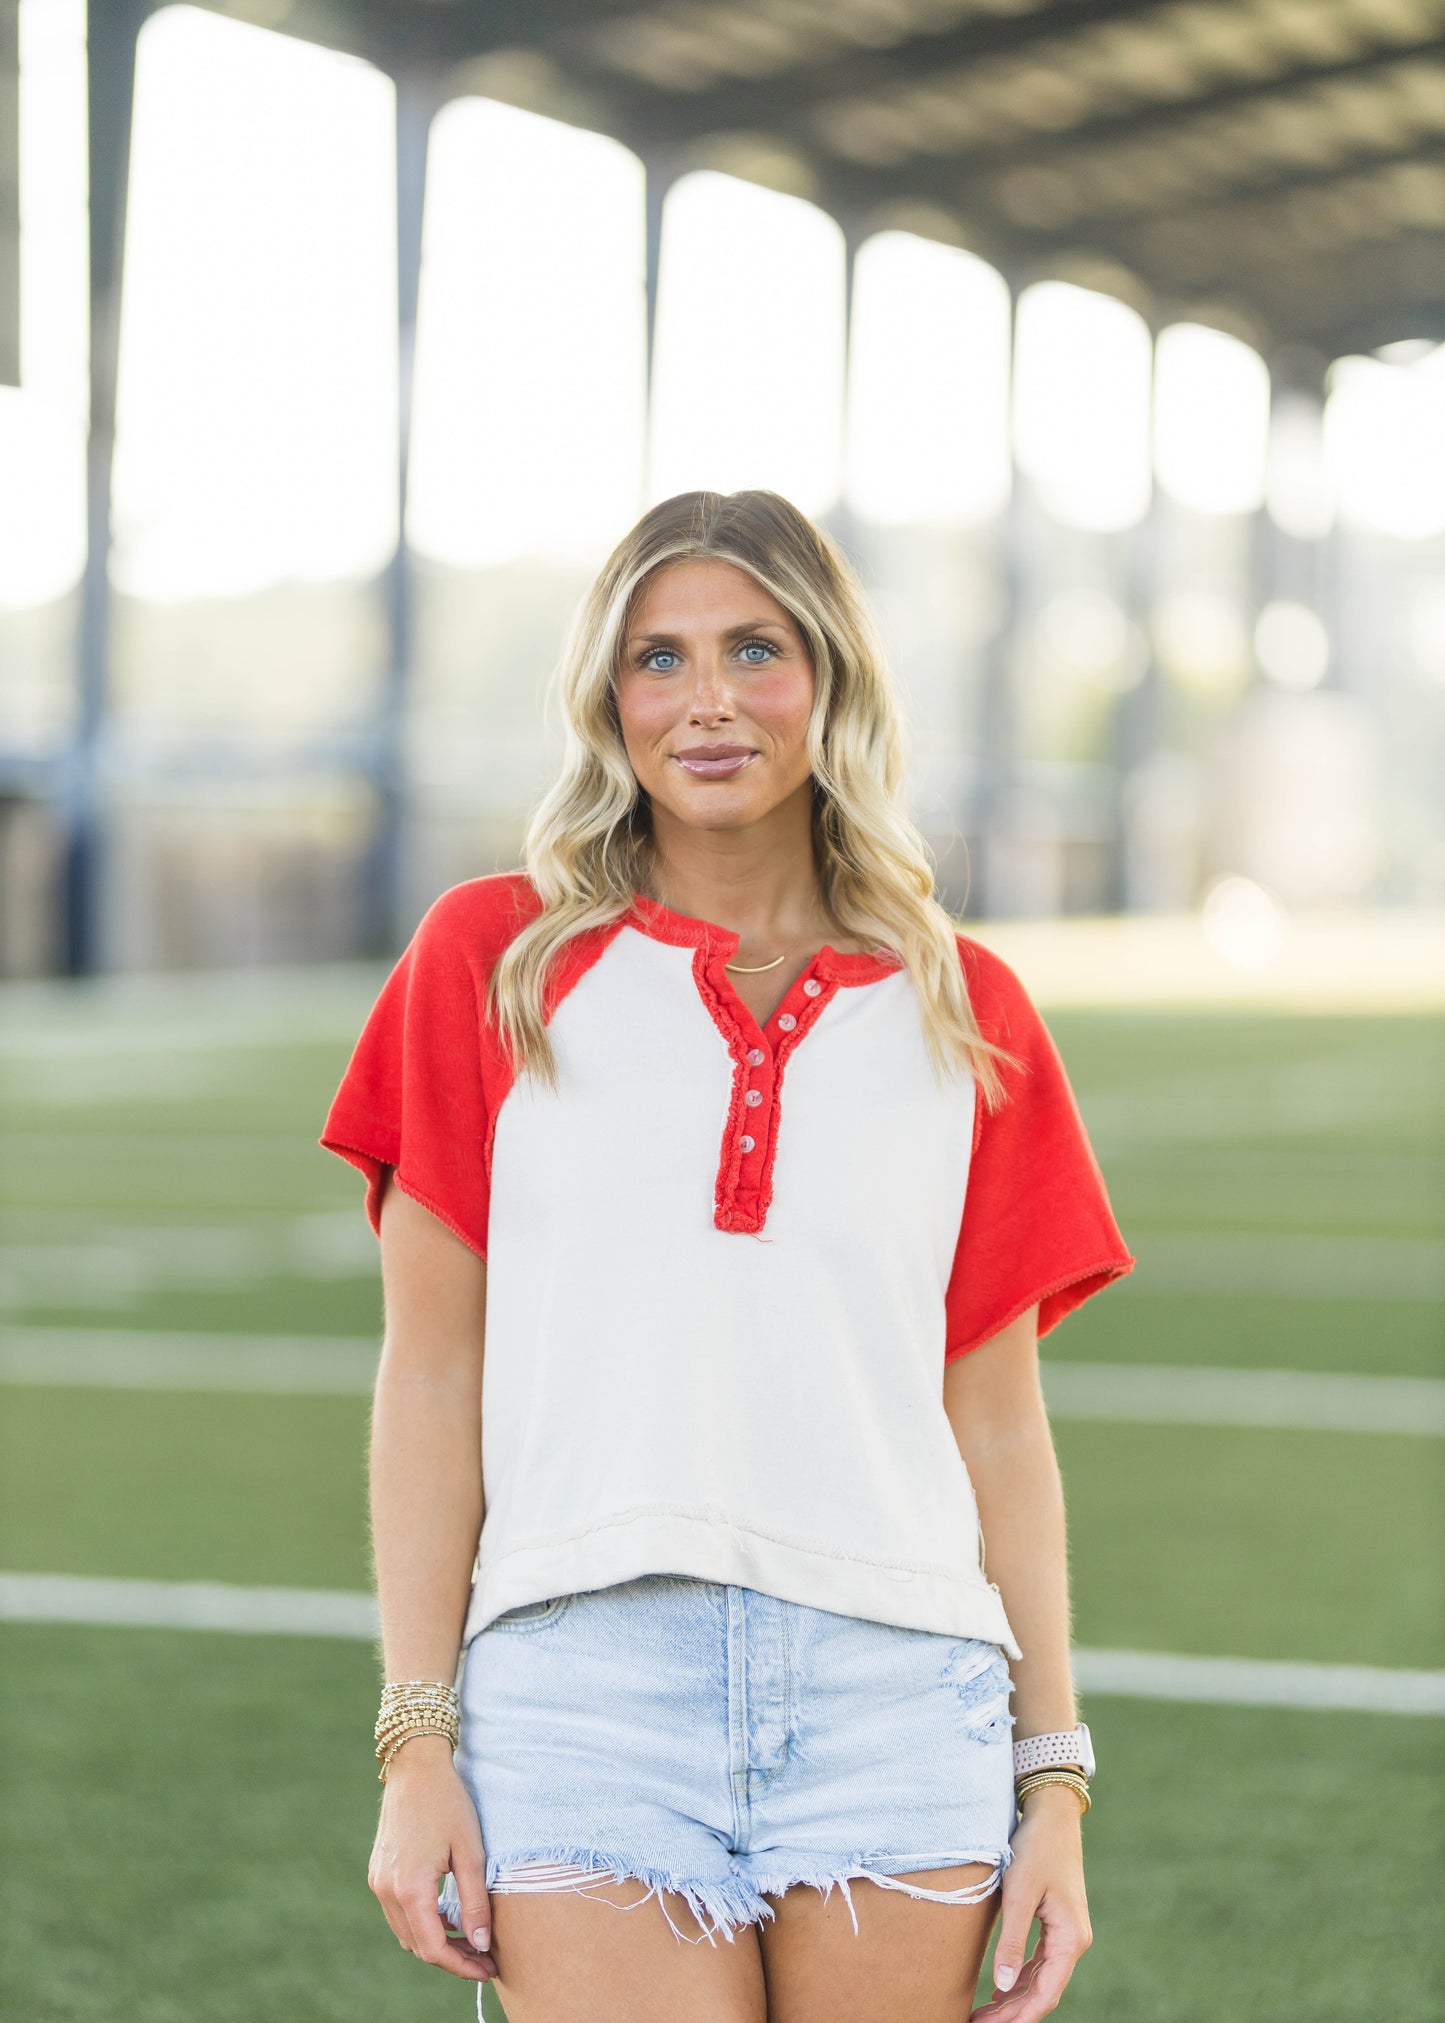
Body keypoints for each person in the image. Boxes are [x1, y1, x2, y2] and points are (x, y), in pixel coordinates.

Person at [319, 488, 1133, 2023]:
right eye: (655, 659)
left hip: (902, 1697)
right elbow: (431, 1373)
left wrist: (1053, 1782)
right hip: (582, 1694)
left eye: (753, 650)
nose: (703, 702)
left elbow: (998, 1426)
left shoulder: (971, 1014)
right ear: (604, 698)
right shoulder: (491, 967)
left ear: (830, 679)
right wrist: (416, 1737)